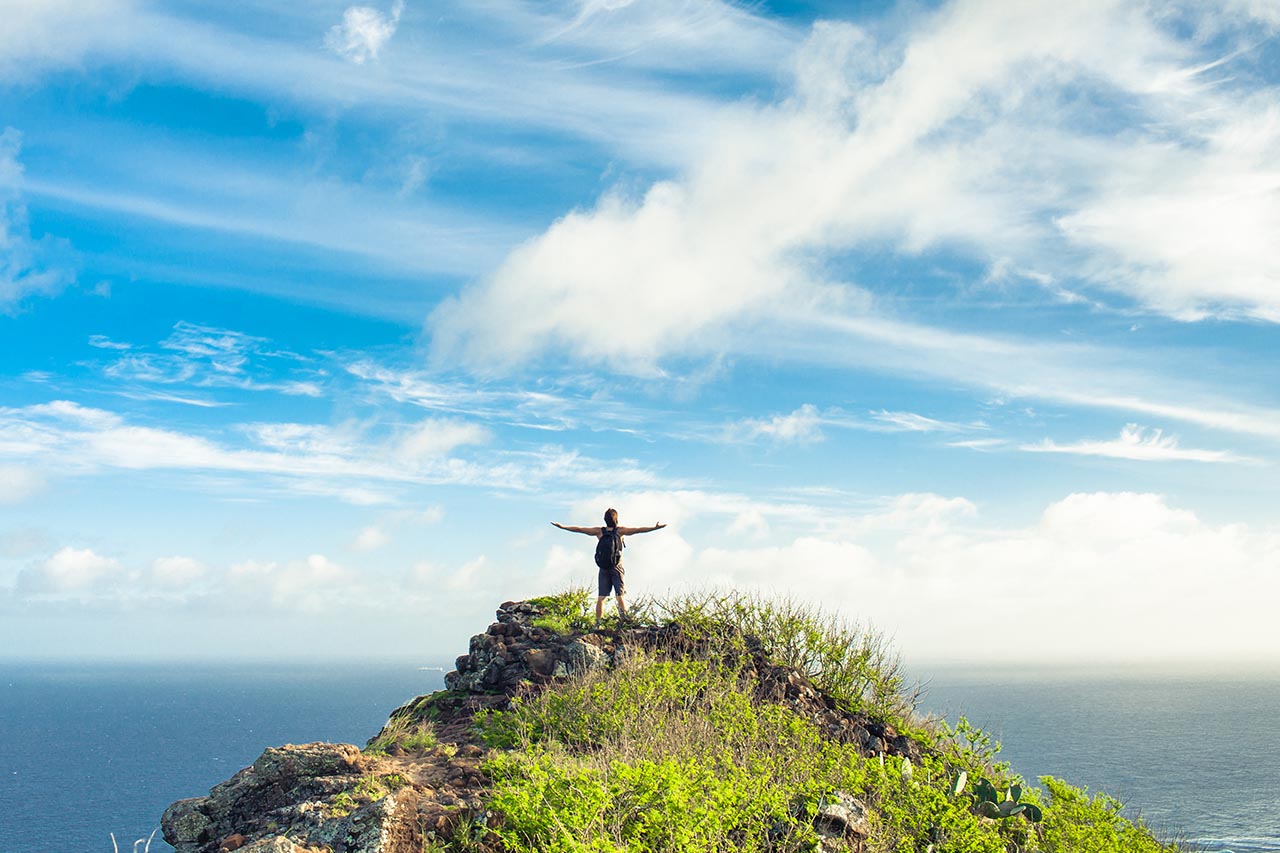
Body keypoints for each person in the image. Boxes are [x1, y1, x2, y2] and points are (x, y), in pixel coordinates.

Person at [551, 508, 666, 624]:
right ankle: (624, 622)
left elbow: (580, 529)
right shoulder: (620, 531)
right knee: (620, 595)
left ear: (605, 520)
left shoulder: (599, 531)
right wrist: (654, 528)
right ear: (616, 519)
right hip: (617, 567)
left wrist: (563, 527)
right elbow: (638, 530)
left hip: (603, 567)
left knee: (601, 598)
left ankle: (598, 624)